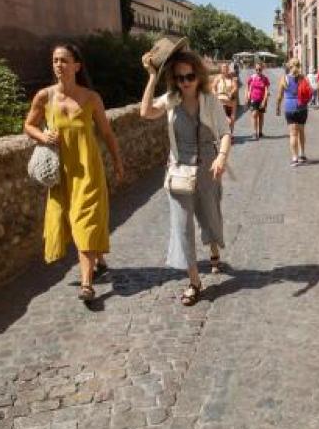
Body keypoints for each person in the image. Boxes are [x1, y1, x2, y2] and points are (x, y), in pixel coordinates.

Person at [24, 43, 126, 303]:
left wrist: (117, 161)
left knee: (85, 221)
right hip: (62, 173)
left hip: (88, 170)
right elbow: (28, 125)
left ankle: (87, 284)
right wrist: (43, 135)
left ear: (77, 66)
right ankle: (99, 260)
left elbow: (106, 133)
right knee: (70, 221)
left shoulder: (91, 98)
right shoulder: (44, 97)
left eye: (64, 60)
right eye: (56, 60)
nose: (59, 65)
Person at [139, 37, 232, 307]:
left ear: (198, 75)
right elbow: (145, 112)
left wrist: (222, 158)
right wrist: (152, 77)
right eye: (179, 78)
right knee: (182, 228)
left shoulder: (209, 100)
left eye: (190, 76)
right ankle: (194, 281)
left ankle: (213, 249)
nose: (185, 82)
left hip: (208, 169)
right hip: (179, 172)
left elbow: (225, 133)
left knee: (210, 217)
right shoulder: (171, 99)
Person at [275, 59, 311, 166]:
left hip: (289, 107)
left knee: (293, 134)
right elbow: (309, 91)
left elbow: (279, 96)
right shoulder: (302, 77)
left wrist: (277, 108)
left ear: (289, 66)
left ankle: (294, 158)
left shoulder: (284, 78)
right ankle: (302, 154)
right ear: (299, 66)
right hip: (302, 107)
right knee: (301, 131)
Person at [245, 62, 271, 140]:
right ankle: (254, 132)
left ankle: (260, 132)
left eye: (259, 69)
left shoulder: (265, 78)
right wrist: (246, 96)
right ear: (254, 69)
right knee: (254, 114)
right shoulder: (252, 77)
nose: (258, 71)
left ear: (262, 69)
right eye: (256, 69)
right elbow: (247, 87)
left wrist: (264, 100)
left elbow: (267, 90)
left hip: (262, 99)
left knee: (261, 115)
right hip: (253, 98)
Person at [214, 62, 239, 135]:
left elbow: (235, 87)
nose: (225, 69)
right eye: (223, 67)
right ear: (221, 69)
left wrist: (231, 93)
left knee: (232, 118)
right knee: (226, 119)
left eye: (226, 67)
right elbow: (213, 87)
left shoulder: (232, 78)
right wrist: (215, 94)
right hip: (221, 100)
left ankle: (230, 134)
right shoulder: (218, 78)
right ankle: (225, 133)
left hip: (231, 100)